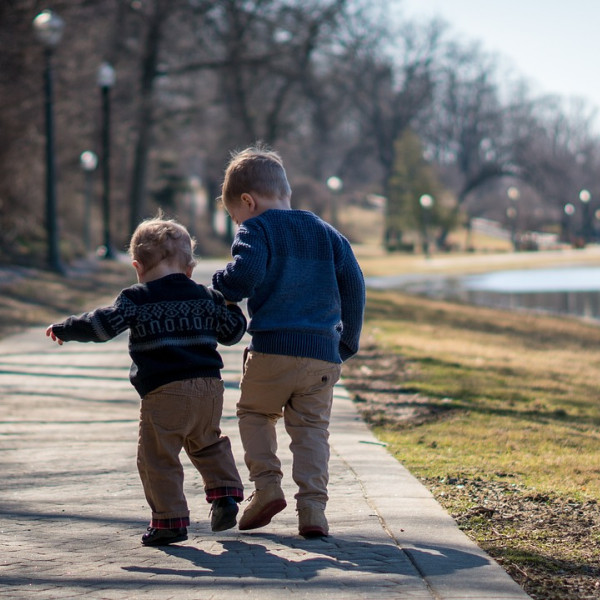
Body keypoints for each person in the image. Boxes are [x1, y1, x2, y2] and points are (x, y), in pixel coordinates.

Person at [46, 215, 247, 547]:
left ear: (137, 266)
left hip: (165, 391)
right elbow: (231, 333)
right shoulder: (205, 296)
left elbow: (101, 326)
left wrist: (67, 328)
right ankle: (225, 495)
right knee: (208, 442)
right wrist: (232, 305)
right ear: (189, 267)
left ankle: (169, 521)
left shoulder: (136, 298)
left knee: (157, 456)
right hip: (210, 388)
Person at [212, 144, 365, 538]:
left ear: (248, 201)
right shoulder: (326, 232)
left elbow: (243, 277)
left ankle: (266, 488)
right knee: (312, 430)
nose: (237, 222)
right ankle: (313, 510)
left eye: (234, 216)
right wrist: (347, 341)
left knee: (255, 414)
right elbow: (354, 284)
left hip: (272, 349)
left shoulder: (256, 228)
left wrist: (220, 284)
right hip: (322, 355)